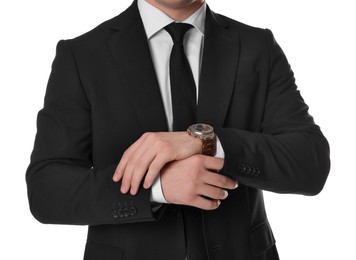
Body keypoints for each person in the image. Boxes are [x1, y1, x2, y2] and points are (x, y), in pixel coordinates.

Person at [26, 0, 330, 259]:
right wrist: (157, 189)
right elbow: (46, 190)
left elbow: (310, 162)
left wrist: (205, 142)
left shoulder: (256, 46)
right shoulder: (82, 55)